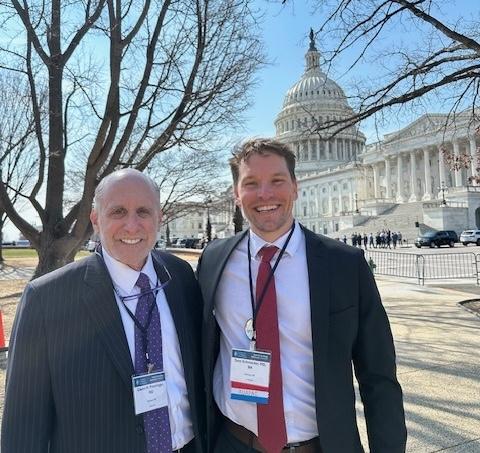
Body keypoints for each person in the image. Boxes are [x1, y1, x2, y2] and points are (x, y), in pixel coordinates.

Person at [197, 138, 406, 453]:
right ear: (236, 195)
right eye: (251, 183)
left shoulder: (345, 265)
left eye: (277, 181)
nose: (265, 194)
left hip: (321, 446)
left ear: (295, 186)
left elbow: (378, 377)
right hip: (233, 443)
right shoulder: (214, 260)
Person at [2, 169, 205, 453]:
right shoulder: (47, 298)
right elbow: (23, 423)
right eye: (118, 212)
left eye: (143, 211)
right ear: (96, 220)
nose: (132, 226)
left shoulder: (181, 276)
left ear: (160, 217)